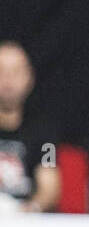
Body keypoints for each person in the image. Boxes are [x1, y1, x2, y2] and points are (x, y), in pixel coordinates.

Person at [0, 41, 60, 214]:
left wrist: (31, 208)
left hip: (25, 224)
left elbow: (49, 185)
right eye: (1, 71)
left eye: (16, 72)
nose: (8, 79)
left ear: (29, 78)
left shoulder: (44, 134)